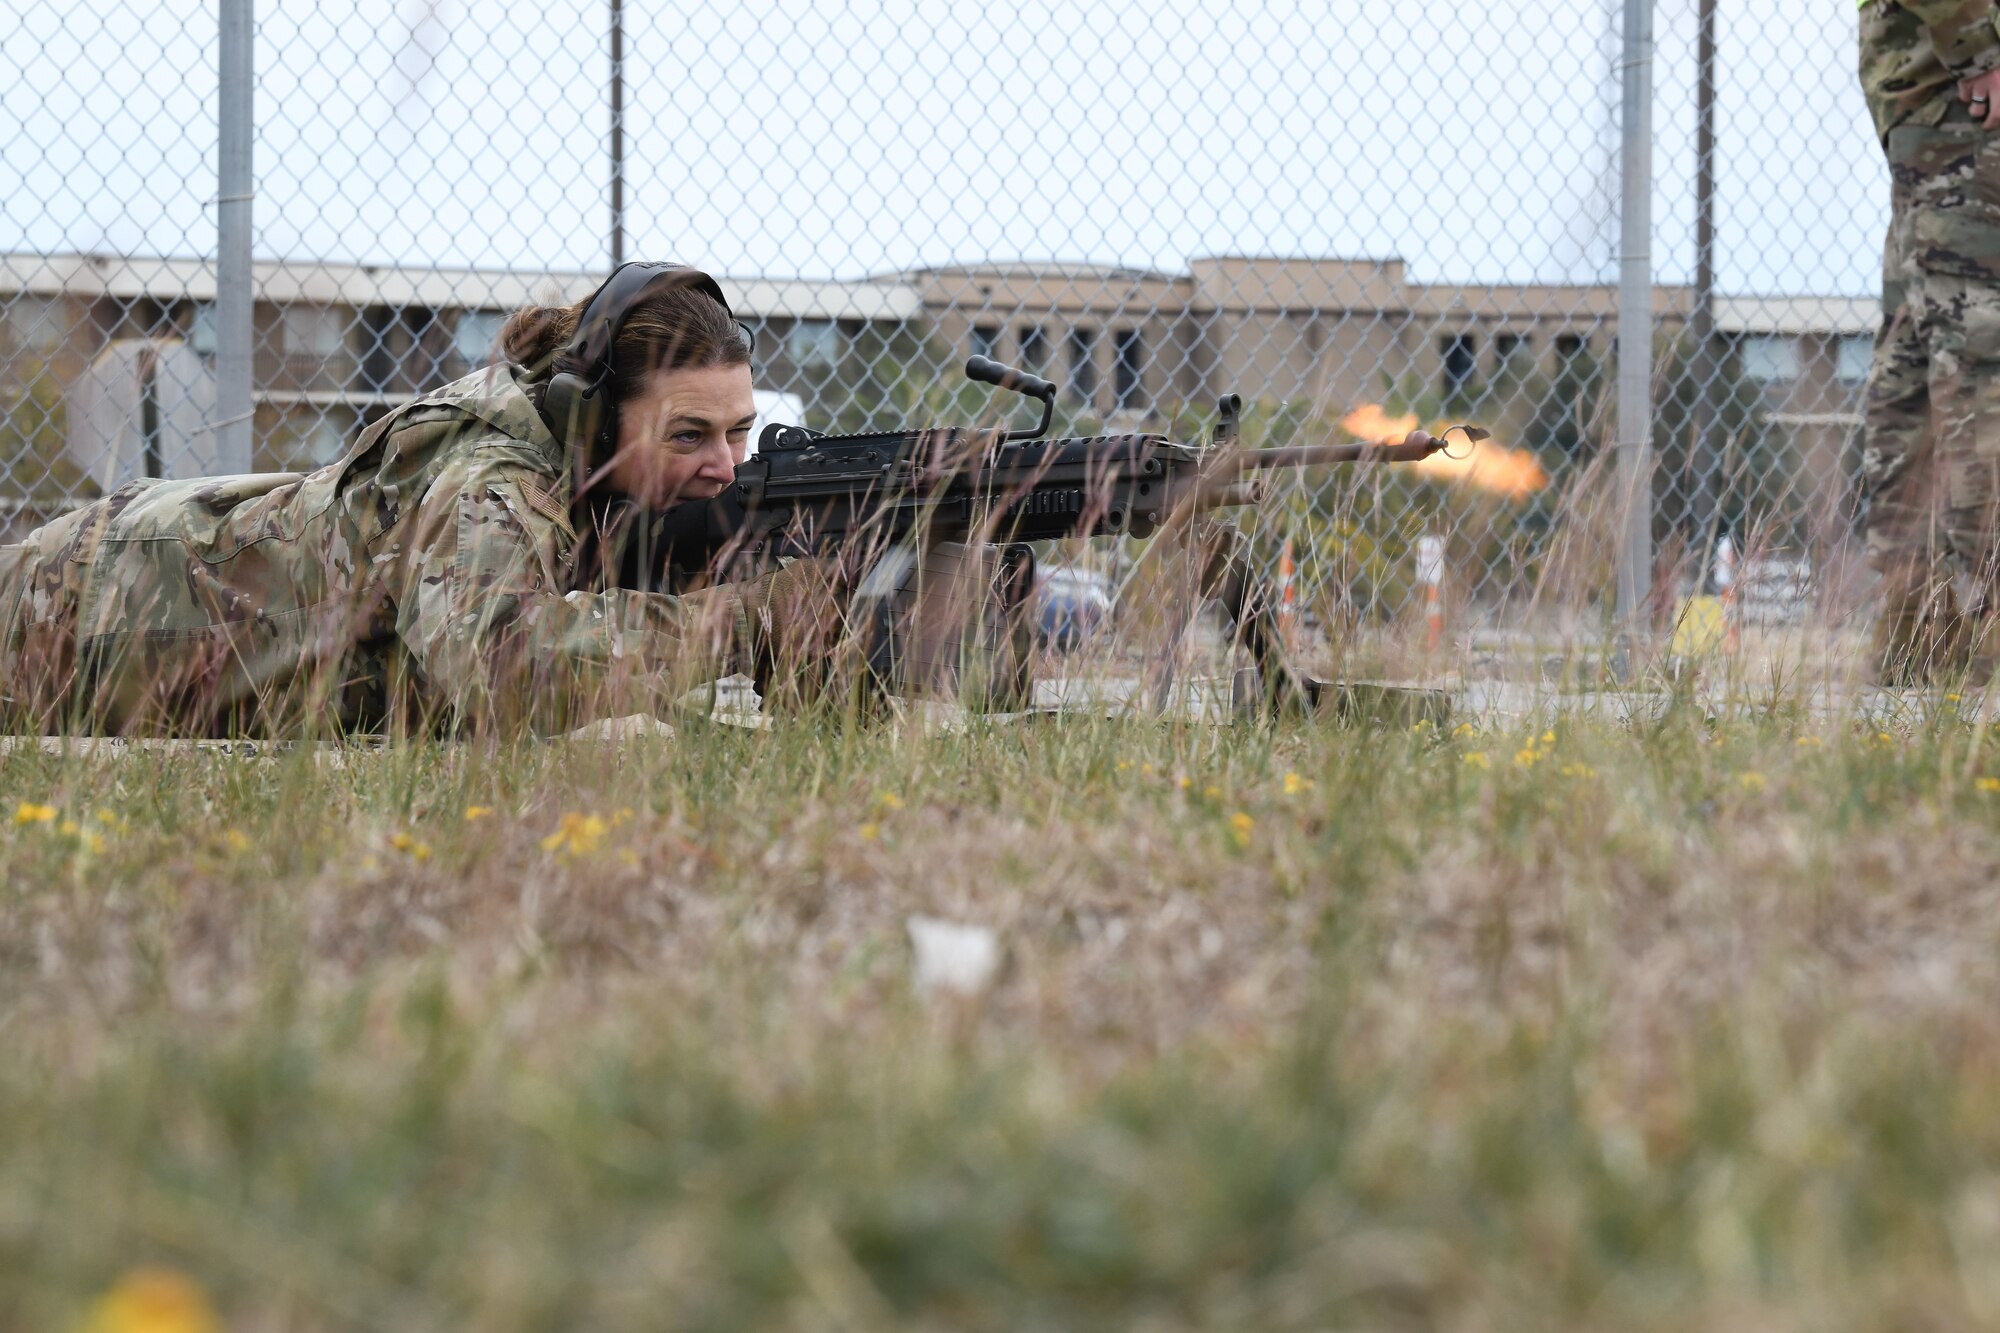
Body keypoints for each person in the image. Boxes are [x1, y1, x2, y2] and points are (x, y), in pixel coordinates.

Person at [0, 263, 842, 735]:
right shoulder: (493, 477)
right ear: (592, 417)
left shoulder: (587, 471)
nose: (727, 466)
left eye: (738, 430)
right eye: (689, 436)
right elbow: (503, 664)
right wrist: (742, 624)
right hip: (78, 608)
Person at [1859, 0, 2000, 681]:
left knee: (1919, 366)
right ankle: (1981, 634)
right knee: (1981, 364)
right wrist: (1980, 50)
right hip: (1967, 102)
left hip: (1937, 103)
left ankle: (1920, 638)